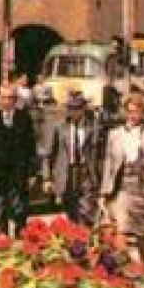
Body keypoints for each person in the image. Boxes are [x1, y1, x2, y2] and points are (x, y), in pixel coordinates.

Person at [100, 93, 144, 272]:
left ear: (143, 112)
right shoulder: (115, 134)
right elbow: (109, 163)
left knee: (142, 231)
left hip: (142, 185)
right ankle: (124, 265)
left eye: (136, 112)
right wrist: (104, 190)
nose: (132, 116)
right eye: (129, 112)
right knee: (121, 227)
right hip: (121, 185)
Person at [0, 83, 38, 238]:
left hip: (18, 174)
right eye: (4, 98)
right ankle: (2, 236)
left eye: (11, 98)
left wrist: (33, 172)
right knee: (0, 211)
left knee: (19, 210)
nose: (7, 101)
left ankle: (20, 236)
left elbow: (31, 147)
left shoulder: (24, 119)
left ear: (15, 100)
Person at [45, 91, 103, 226]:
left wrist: (100, 178)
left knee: (87, 210)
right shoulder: (59, 128)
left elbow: (101, 155)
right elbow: (49, 154)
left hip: (86, 172)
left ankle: (85, 235)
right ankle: (75, 239)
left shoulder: (93, 128)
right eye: (71, 108)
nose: (74, 112)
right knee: (71, 210)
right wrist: (47, 178)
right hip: (67, 173)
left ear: (83, 109)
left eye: (77, 108)